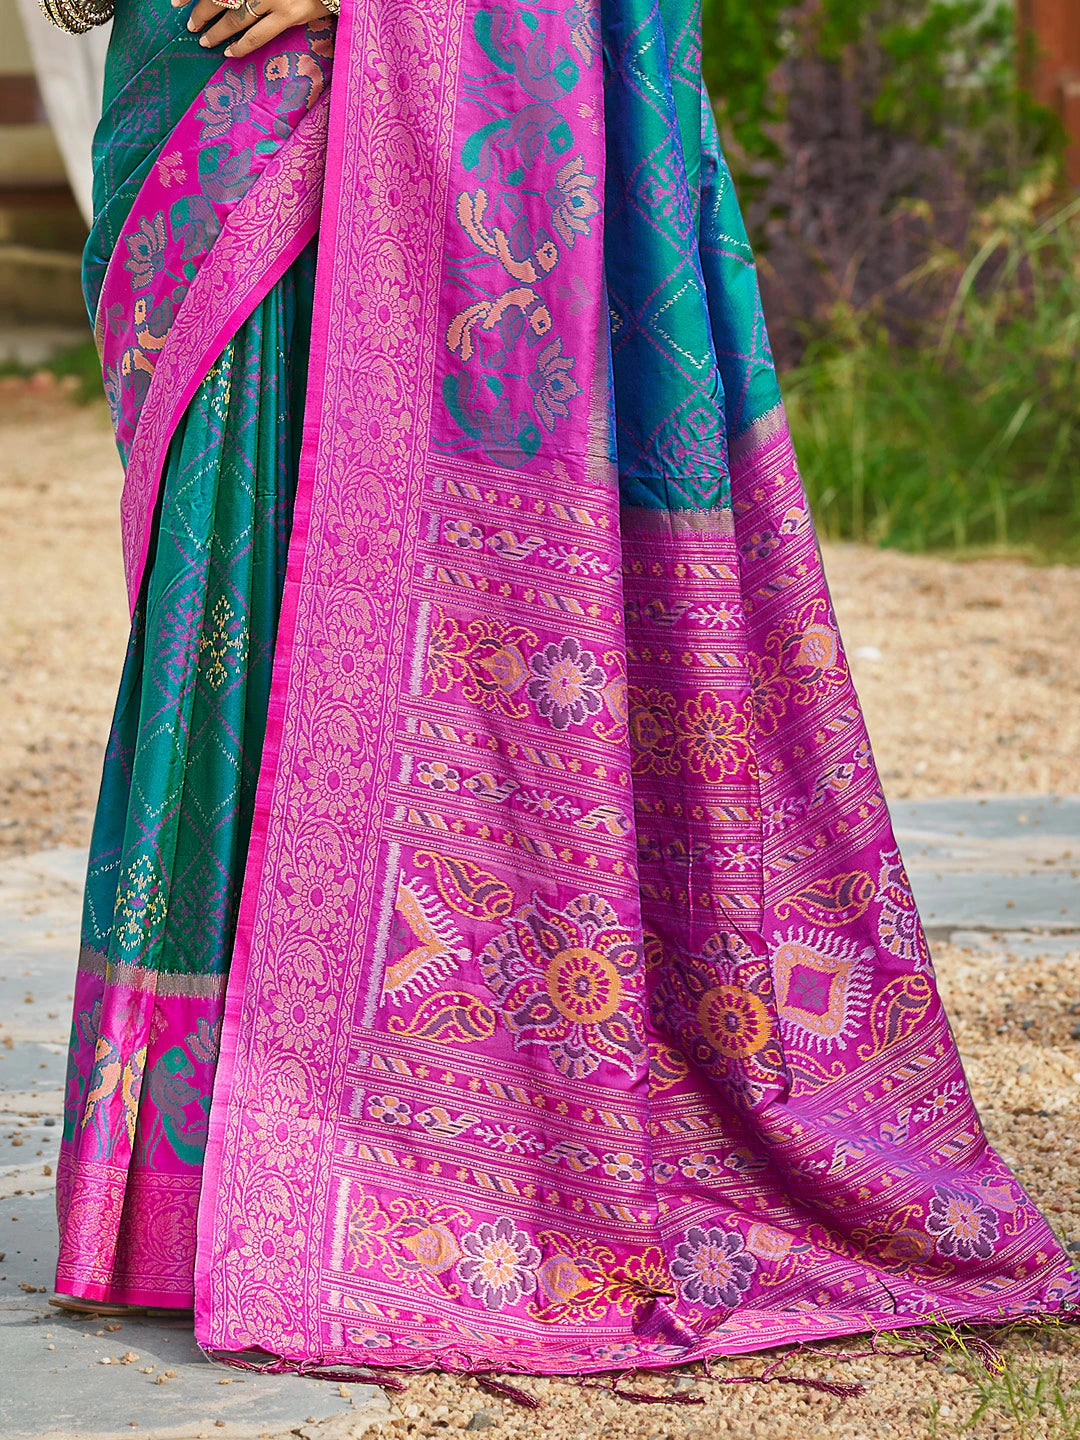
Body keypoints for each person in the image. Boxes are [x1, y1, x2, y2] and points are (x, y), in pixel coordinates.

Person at [48, 0, 1076, 1374]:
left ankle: (365, 1165)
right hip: (190, 84)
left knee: (305, 583)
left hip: (373, 83)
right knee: (214, 599)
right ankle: (176, 1199)